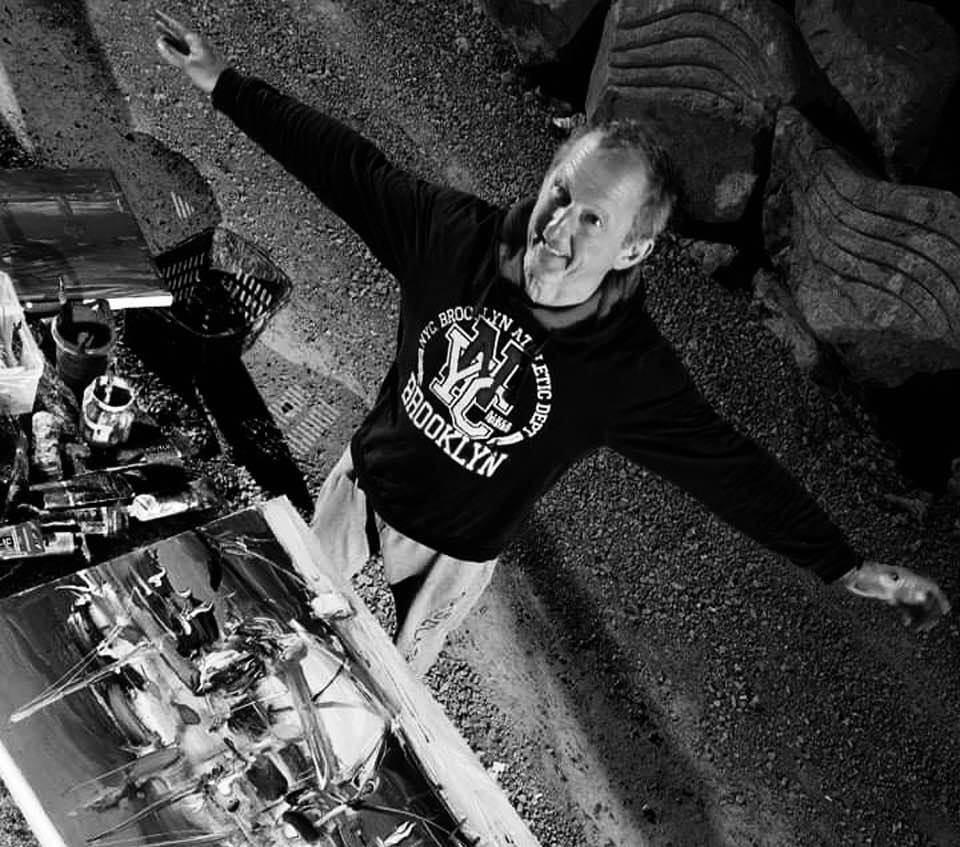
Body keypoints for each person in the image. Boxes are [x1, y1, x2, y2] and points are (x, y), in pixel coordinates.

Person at [154, 12, 950, 676]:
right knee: (273, 631)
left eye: (593, 219)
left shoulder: (625, 371)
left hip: (453, 557)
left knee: (380, 699)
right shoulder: (451, 237)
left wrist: (843, 564)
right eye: (560, 192)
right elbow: (346, 165)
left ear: (633, 249)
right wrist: (225, 83)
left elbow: (730, 469)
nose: (558, 227)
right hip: (365, 480)